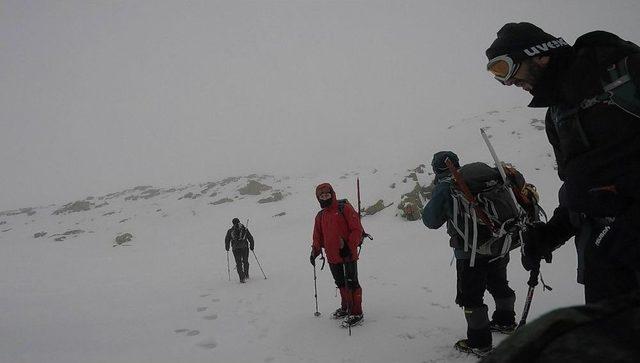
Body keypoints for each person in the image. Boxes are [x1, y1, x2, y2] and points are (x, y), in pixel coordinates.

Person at [485, 22, 640, 303]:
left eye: (506, 68)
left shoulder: (626, 73)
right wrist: (551, 234)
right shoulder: (558, 115)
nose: (508, 82)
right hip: (605, 263)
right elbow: (580, 190)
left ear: (539, 54)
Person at [422, 151, 525, 357]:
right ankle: (505, 321)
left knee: (471, 297)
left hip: (469, 252)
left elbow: (430, 220)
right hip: (500, 242)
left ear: (435, 169)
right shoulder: (485, 175)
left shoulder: (447, 187)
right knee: (498, 283)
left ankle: (480, 342)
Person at [310, 183, 365, 327]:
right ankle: (346, 307)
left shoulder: (344, 208)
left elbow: (357, 229)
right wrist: (315, 250)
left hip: (348, 254)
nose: (324, 198)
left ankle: (357, 312)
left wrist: (348, 246)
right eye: (321, 196)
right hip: (332, 257)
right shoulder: (320, 216)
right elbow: (317, 236)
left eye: (327, 195)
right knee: (341, 283)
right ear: (318, 198)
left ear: (332, 194)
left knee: (352, 283)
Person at [225, 218, 254, 283]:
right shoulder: (244, 229)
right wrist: (252, 246)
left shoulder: (230, 231)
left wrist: (227, 247)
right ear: (239, 222)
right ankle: (246, 274)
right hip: (245, 248)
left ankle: (242, 278)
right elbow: (250, 237)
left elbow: (227, 240)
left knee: (238, 263)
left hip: (235, 249)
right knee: (245, 261)